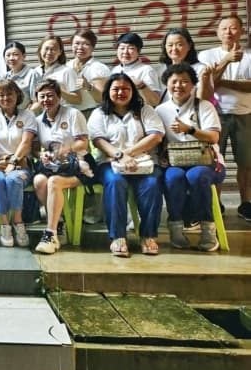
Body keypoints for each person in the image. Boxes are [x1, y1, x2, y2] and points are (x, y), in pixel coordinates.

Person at [88, 73, 165, 257]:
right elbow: (98, 140)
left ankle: (148, 236)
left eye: (125, 89)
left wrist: (128, 154)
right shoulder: (99, 113)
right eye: (116, 89)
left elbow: (156, 136)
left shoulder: (145, 110)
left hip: (144, 162)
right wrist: (119, 156)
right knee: (115, 182)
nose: (120, 92)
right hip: (109, 162)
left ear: (133, 91)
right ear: (108, 92)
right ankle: (118, 237)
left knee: (152, 184)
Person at [155, 64, 223, 251]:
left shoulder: (204, 106)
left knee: (196, 176)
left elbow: (214, 137)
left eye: (185, 81)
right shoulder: (160, 110)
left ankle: (208, 229)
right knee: (173, 178)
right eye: (174, 81)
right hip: (175, 162)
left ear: (193, 84)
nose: (179, 85)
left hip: (207, 162)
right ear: (166, 84)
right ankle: (176, 227)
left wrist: (189, 129)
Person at [200, 15, 251, 221]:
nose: (228, 32)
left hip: (245, 114)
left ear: (241, 31)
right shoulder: (207, 55)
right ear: (217, 32)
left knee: (246, 163)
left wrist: (223, 83)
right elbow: (207, 83)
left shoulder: (250, 56)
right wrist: (226, 60)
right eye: (224, 28)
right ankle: (216, 202)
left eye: (233, 28)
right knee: (215, 161)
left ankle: (246, 203)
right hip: (214, 115)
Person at [31, 79, 91, 255]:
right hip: (53, 166)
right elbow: (35, 149)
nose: (46, 100)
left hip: (78, 165)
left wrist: (65, 150)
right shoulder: (37, 120)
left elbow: (83, 143)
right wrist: (41, 155)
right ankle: (59, 223)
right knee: (39, 180)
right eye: (42, 96)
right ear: (37, 99)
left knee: (54, 182)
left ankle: (50, 234)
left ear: (59, 96)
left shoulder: (73, 114)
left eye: (50, 95)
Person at [0, 80, 37, 247]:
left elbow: (26, 143)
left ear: (17, 95)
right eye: (1, 95)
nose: (5, 98)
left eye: (9, 94)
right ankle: (4, 225)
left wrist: (13, 161)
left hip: (21, 163)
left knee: (13, 179)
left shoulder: (28, 115)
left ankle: (18, 222)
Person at [29, 36, 81, 111]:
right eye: (46, 48)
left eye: (53, 49)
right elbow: (34, 100)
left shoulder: (67, 71)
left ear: (60, 52)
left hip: (63, 114)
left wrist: (57, 90)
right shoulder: (35, 72)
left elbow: (78, 100)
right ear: (40, 50)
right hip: (42, 115)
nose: (49, 52)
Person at [159, 28, 211, 102]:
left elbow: (204, 98)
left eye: (179, 45)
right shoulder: (160, 70)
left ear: (189, 46)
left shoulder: (200, 69)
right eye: (170, 45)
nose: (174, 48)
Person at [111, 32, 162, 106]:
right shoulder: (115, 70)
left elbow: (155, 102)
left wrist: (141, 86)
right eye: (122, 48)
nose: (125, 52)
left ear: (139, 51)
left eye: (131, 48)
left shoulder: (146, 70)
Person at [69, 30, 110, 117]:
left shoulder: (98, 68)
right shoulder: (67, 66)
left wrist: (89, 87)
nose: (80, 47)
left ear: (93, 47)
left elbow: (102, 99)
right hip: (70, 114)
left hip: (91, 113)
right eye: (77, 43)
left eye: (86, 44)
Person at [3, 41, 34, 110]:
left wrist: (25, 114)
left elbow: (36, 101)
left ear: (24, 56)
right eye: (8, 55)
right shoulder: (5, 76)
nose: (11, 58)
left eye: (15, 54)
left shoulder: (32, 74)